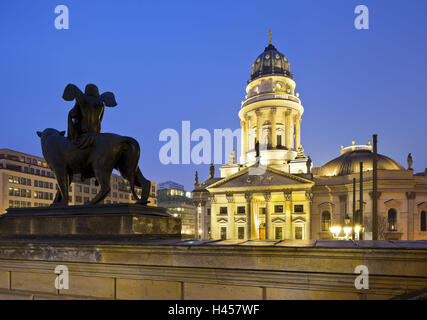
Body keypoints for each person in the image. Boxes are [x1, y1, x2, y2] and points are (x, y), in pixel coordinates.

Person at [63, 83, 117, 149]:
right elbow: (100, 118)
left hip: (84, 130)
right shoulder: (101, 104)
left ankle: (72, 137)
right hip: (97, 130)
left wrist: (70, 113)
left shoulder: (82, 100)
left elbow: (74, 113)